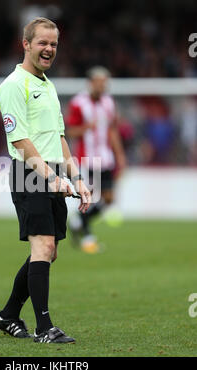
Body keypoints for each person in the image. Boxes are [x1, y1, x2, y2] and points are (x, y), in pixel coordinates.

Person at [0, 17, 91, 344]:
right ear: (26, 44)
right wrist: (51, 178)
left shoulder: (47, 85)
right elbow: (21, 141)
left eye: (53, 44)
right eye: (42, 43)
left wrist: (77, 179)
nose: (49, 49)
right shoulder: (12, 85)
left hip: (52, 174)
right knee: (43, 245)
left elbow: (60, 138)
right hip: (30, 174)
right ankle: (43, 328)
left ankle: (8, 315)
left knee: (49, 252)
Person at [65, 66, 126, 254]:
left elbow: (112, 131)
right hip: (86, 158)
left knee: (109, 199)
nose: (102, 87)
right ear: (90, 83)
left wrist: (120, 155)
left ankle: (77, 222)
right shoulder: (78, 103)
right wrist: (86, 127)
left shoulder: (108, 103)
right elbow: (70, 132)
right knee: (88, 198)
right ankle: (88, 239)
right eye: (99, 83)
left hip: (105, 158)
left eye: (104, 83)